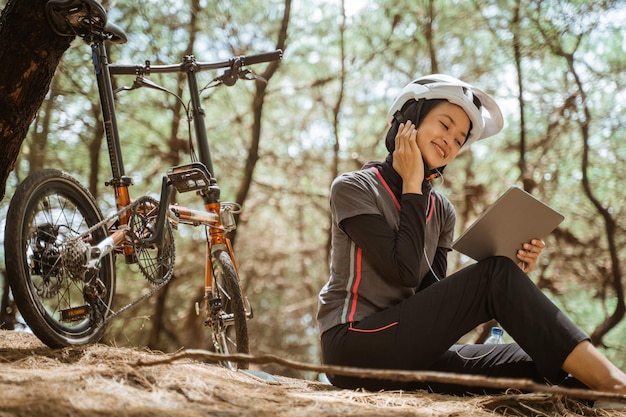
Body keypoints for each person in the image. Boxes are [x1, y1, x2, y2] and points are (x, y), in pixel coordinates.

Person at [316, 74, 626, 398]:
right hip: (353, 344)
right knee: (494, 276)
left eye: (459, 138)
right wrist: (412, 186)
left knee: (559, 370)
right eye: (445, 126)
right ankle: (618, 385)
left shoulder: (441, 210)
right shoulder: (354, 187)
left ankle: (603, 382)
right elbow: (403, 270)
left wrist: (513, 275)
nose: (450, 141)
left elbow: (428, 296)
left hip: (408, 349)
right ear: (409, 120)